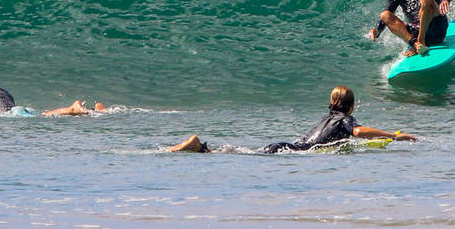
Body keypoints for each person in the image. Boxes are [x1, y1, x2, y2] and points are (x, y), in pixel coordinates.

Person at [169, 86, 417, 153]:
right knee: (241, 153)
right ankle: (199, 147)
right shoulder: (344, 120)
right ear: (351, 106)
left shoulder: (326, 118)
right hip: (290, 151)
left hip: (286, 145)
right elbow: (360, 132)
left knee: (243, 152)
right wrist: (394, 135)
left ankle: (200, 147)